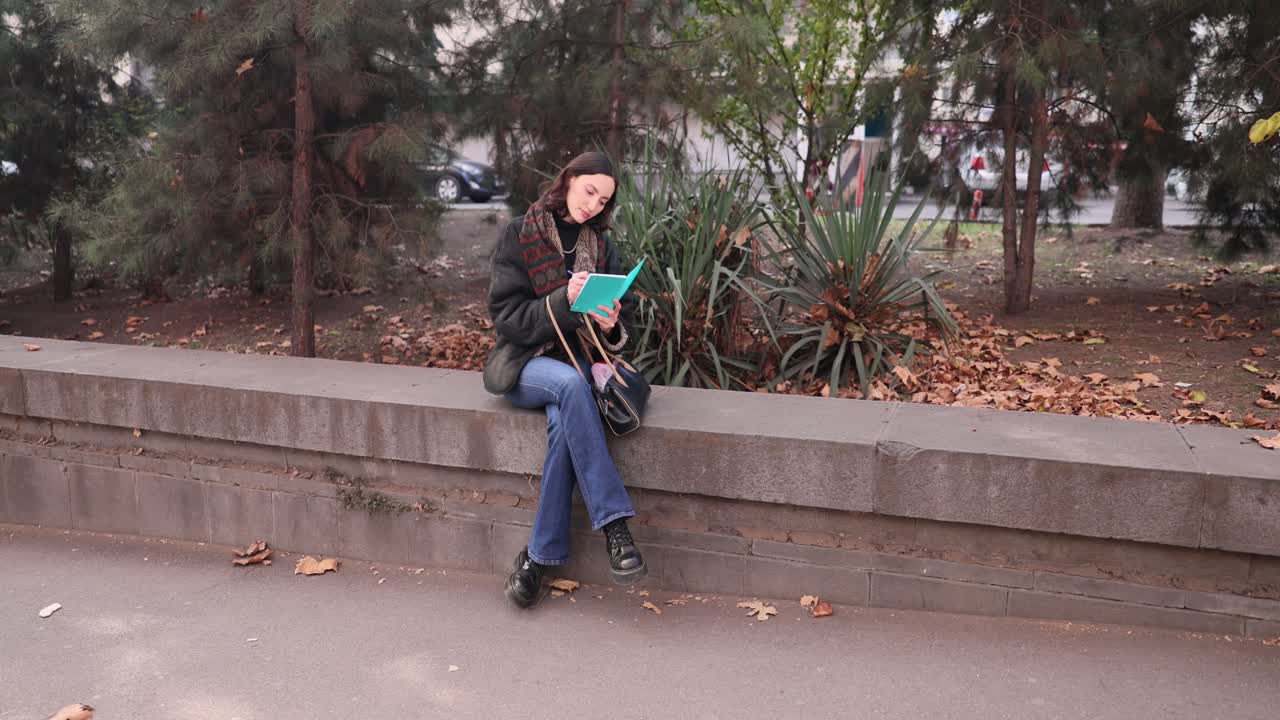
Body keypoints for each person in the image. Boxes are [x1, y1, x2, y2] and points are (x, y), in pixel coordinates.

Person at [482, 151, 645, 608]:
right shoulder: (521, 233)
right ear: (569, 179)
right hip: (526, 364)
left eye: (603, 200)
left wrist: (611, 322)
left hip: (578, 364)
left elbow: (624, 323)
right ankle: (615, 525)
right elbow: (507, 318)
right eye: (589, 191)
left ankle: (537, 560)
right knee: (571, 386)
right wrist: (561, 300)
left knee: (563, 422)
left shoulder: (602, 247)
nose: (592, 205)